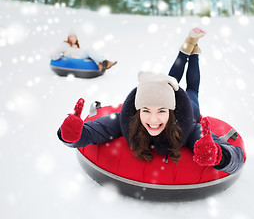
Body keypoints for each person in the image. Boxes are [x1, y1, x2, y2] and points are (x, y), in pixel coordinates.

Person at [58, 28, 244, 174]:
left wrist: (220, 156)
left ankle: (193, 54)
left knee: (192, 89)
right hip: (164, 94)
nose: (153, 120)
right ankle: (188, 47)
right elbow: (93, 132)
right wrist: (70, 135)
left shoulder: (190, 129)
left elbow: (237, 158)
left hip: (190, 107)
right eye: (146, 110)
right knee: (170, 80)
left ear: (170, 112)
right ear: (138, 110)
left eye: (161, 111)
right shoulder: (126, 121)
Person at [51, 30, 117, 72]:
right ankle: (105, 62)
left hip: (80, 58)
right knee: (89, 50)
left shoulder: (76, 47)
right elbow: (55, 53)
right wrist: (57, 57)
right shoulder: (65, 45)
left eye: (74, 37)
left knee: (91, 53)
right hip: (76, 59)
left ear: (76, 38)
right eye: (71, 37)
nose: (73, 38)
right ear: (68, 38)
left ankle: (101, 64)